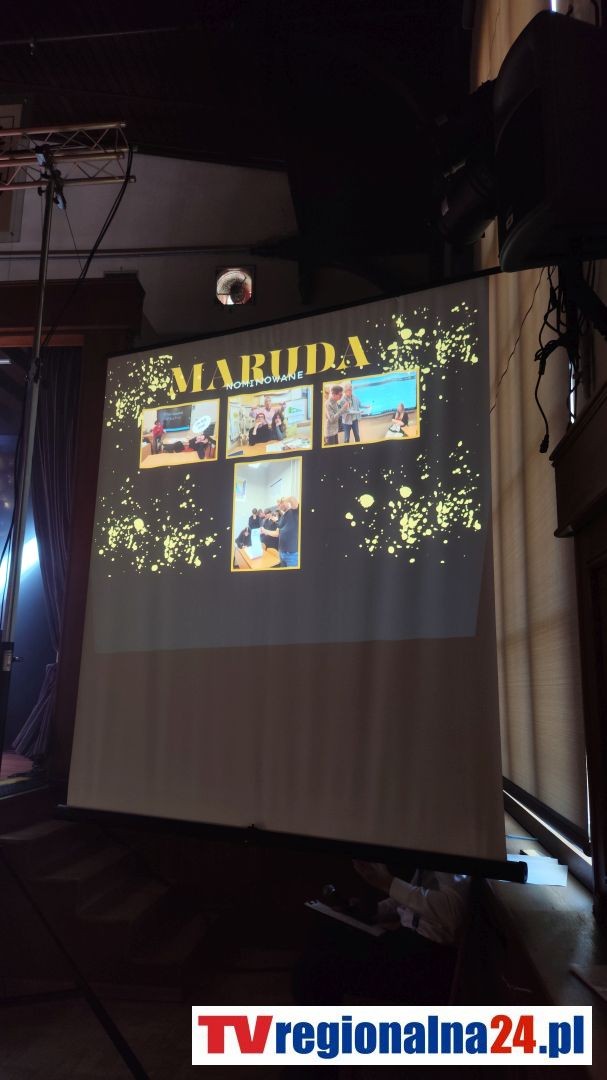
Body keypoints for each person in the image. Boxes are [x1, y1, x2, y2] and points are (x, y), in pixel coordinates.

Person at [292, 860, 468, 1006]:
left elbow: (452, 912)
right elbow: (417, 899)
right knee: (326, 930)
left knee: (315, 968)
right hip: (406, 940)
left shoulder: (453, 845)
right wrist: (375, 911)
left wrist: (388, 883)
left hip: (431, 959)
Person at [275, 496, 299, 567]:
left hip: (291, 554)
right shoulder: (283, 516)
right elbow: (278, 529)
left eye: (281, 503)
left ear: (286, 502)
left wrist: (284, 500)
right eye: (278, 505)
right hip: (282, 552)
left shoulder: (294, 511)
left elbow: (292, 499)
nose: (280, 506)